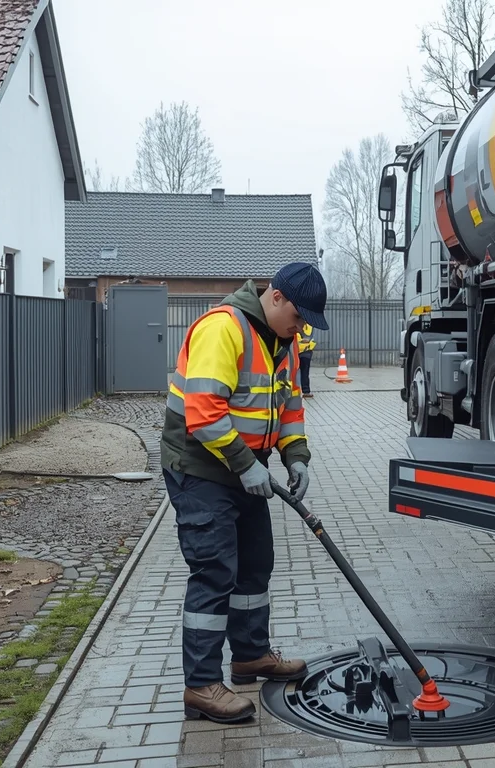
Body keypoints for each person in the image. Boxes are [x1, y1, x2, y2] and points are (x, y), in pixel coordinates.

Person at [160, 261, 329, 724]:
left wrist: (296, 456)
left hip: (245, 468)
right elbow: (203, 412)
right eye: (298, 316)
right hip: (200, 468)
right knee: (215, 570)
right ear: (275, 297)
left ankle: (251, 656)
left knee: (255, 563)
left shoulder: (283, 344)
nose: (301, 328)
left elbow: (290, 408)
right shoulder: (224, 329)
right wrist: (245, 464)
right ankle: (201, 685)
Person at [294, 322, 316, 398]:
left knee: (297, 372)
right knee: (304, 372)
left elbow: (307, 338)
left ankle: (301, 391)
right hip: (303, 351)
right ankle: (305, 391)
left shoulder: (294, 323)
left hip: (301, 351)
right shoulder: (310, 325)